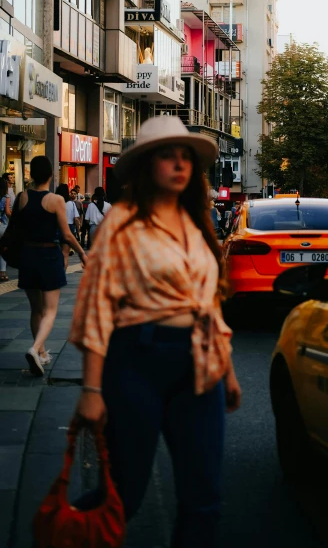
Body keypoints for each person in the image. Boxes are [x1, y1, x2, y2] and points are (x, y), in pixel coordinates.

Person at [70, 116, 241, 547]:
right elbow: (97, 304)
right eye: (167, 155)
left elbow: (210, 302)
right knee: (125, 493)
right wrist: (91, 391)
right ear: (146, 164)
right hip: (136, 361)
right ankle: (66, 535)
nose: (179, 164)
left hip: (201, 366)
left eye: (185, 156)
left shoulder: (197, 222)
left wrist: (229, 371)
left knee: (204, 499)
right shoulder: (122, 223)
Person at [18, 157, 85, 376]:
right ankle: (35, 349)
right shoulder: (55, 199)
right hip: (48, 255)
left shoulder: (23, 197)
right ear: (51, 175)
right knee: (50, 310)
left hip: (27, 256)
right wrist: (82, 253)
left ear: (31, 175)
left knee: (35, 309)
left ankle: (43, 353)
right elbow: (66, 234)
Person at [56, 183, 76, 268]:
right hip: (69, 227)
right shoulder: (71, 204)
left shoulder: (55, 202)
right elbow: (76, 218)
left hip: (56, 227)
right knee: (65, 255)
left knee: (56, 254)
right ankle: (63, 273)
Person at [0, 178, 12, 282]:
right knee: (3, 249)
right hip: (2, 225)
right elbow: (8, 212)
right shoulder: (6, 197)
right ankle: (2, 273)